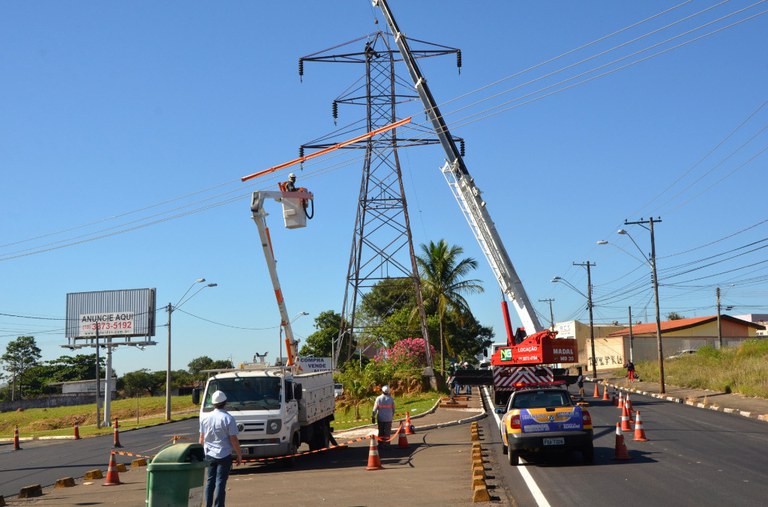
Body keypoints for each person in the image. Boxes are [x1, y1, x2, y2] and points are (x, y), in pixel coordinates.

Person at [199, 390, 243, 507]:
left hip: (209, 454)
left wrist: (200, 452)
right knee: (220, 483)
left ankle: (207, 504)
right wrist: (239, 454)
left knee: (210, 482)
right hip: (224, 454)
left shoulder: (205, 418)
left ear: (213, 403)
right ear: (225, 402)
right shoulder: (228, 418)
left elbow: (201, 437)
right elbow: (233, 439)